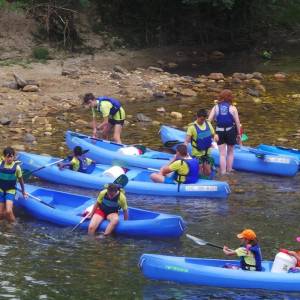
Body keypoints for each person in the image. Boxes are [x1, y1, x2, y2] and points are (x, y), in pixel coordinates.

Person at [208, 89, 242, 175]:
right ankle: (229, 169)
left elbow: (209, 121)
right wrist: (239, 135)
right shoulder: (233, 108)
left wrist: (212, 133)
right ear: (230, 97)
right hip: (230, 131)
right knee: (230, 152)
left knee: (222, 154)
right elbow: (237, 122)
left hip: (219, 132)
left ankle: (223, 172)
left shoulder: (215, 107)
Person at [185, 109, 217, 178]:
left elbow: (213, 134)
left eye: (204, 119)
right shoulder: (192, 127)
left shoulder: (208, 123)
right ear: (197, 117)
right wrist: (185, 151)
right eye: (201, 119)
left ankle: (208, 182)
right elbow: (186, 141)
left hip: (207, 152)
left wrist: (215, 136)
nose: (202, 121)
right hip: (197, 154)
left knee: (208, 171)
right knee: (199, 172)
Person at [0, 147, 28, 222]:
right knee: (0, 213)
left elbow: (21, 180)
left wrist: (23, 192)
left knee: (8, 211)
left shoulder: (17, 168)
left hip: (11, 190)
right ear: (4, 157)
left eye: (11, 156)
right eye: (8, 156)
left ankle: (14, 224)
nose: (9, 158)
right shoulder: (0, 164)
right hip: (1, 191)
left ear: (14, 157)